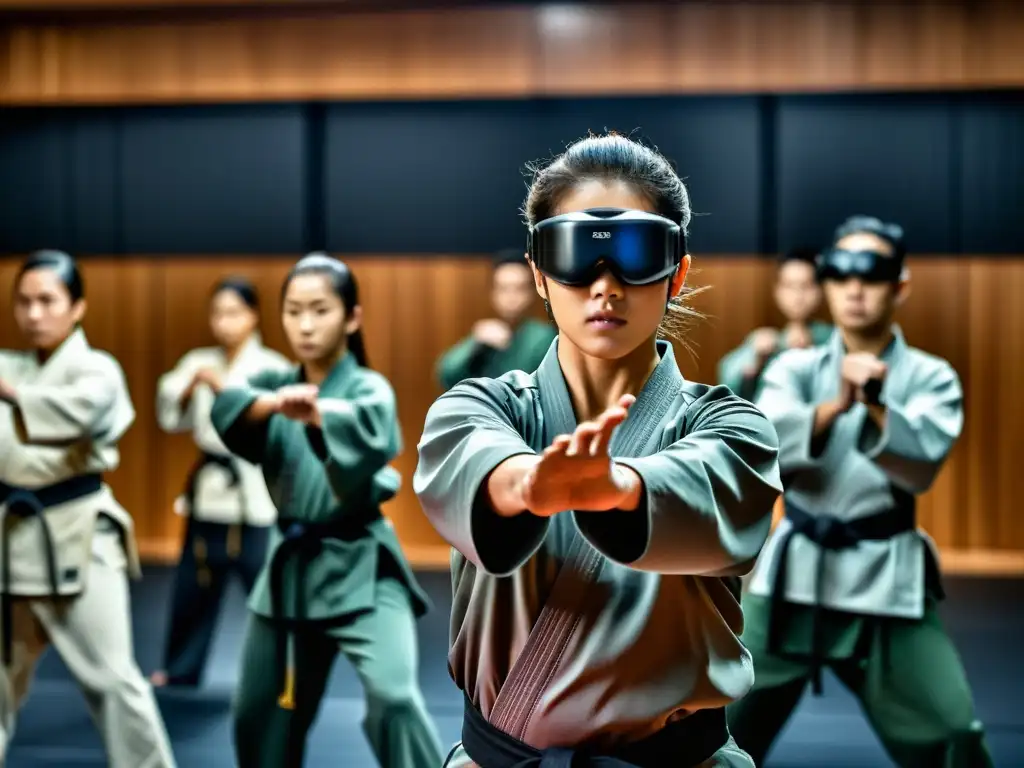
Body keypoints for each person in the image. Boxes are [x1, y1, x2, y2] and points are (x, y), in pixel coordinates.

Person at [414, 134, 782, 768]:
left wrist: (618, 489)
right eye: (574, 255)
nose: (604, 286)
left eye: (636, 253)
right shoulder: (478, 407)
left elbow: (717, 495)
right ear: (539, 272)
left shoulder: (731, 427)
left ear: (678, 270)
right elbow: (470, 464)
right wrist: (527, 486)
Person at [727, 216, 993, 767]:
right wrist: (835, 404)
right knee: (709, 728)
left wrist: (874, 400)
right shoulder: (792, 368)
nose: (854, 287)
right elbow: (766, 442)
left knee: (954, 735)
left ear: (900, 286)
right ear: (826, 283)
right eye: (841, 272)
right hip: (791, 580)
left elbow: (921, 462)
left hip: (887, 581)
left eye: (871, 274)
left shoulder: (931, 375)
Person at [209, 253, 444, 767]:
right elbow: (227, 408)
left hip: (361, 564)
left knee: (396, 698)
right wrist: (276, 404)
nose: (306, 325)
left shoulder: (367, 387)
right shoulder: (273, 383)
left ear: (351, 318)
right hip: (290, 570)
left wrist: (318, 413)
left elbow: (372, 430)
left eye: (320, 310)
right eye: (293, 311)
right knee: (257, 713)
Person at [0, 251, 176, 766]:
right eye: (24, 302)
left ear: (77, 307)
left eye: (47, 301)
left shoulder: (98, 370)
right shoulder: (8, 364)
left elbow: (79, 414)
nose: (34, 314)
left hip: (77, 537)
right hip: (10, 541)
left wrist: (10, 394)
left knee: (112, 679)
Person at [151, 278, 291, 689]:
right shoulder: (198, 360)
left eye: (233, 313)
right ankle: (180, 667)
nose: (224, 323)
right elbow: (170, 411)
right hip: (210, 492)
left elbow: (278, 424)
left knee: (265, 589)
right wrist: (193, 384)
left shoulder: (273, 367)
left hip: (255, 492)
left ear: (253, 316)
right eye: (217, 314)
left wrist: (221, 388)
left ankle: (281, 671)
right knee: (194, 585)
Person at [718, 247, 831, 402]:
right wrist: (757, 360)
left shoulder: (831, 338)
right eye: (789, 286)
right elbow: (728, 379)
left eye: (806, 286)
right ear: (777, 290)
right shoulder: (763, 341)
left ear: (820, 289)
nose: (798, 296)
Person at [436, 249, 556, 391]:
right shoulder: (486, 336)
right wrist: (475, 343)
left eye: (519, 288)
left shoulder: (543, 337)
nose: (512, 297)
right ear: (493, 293)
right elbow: (447, 375)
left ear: (532, 292)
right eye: (504, 288)